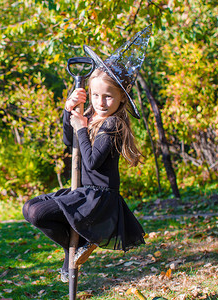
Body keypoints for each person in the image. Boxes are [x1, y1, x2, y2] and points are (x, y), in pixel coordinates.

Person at [22, 25, 152, 282]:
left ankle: (79, 245)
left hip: (98, 199)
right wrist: (69, 111)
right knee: (31, 209)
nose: (100, 102)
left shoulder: (113, 124)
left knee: (40, 214)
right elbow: (68, 140)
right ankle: (75, 246)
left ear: (121, 100)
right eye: (95, 95)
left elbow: (92, 163)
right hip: (81, 193)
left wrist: (82, 127)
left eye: (108, 97)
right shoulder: (91, 116)